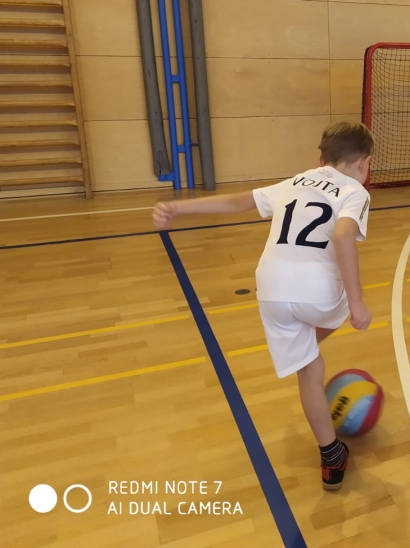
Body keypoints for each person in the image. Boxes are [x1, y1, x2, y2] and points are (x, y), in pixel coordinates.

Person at [151, 121, 375, 491]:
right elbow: (343, 235)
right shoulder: (355, 191)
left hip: (270, 290)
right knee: (330, 324)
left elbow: (236, 202)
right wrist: (357, 301)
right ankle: (309, 351)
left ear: (321, 159)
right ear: (365, 164)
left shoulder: (297, 181)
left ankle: (331, 455)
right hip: (317, 294)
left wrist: (177, 207)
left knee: (308, 366)